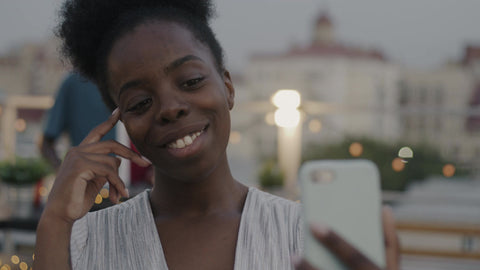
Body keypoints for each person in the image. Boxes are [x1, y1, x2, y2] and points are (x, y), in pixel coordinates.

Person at [34, 1, 399, 269]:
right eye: (140, 102)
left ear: (228, 87)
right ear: (122, 121)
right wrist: (54, 223)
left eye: (191, 81)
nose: (170, 107)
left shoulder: (309, 236)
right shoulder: (83, 242)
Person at [40, 72, 116, 170]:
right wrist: (65, 175)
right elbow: (46, 144)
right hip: (88, 180)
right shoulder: (73, 83)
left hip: (134, 181)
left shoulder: (128, 78)